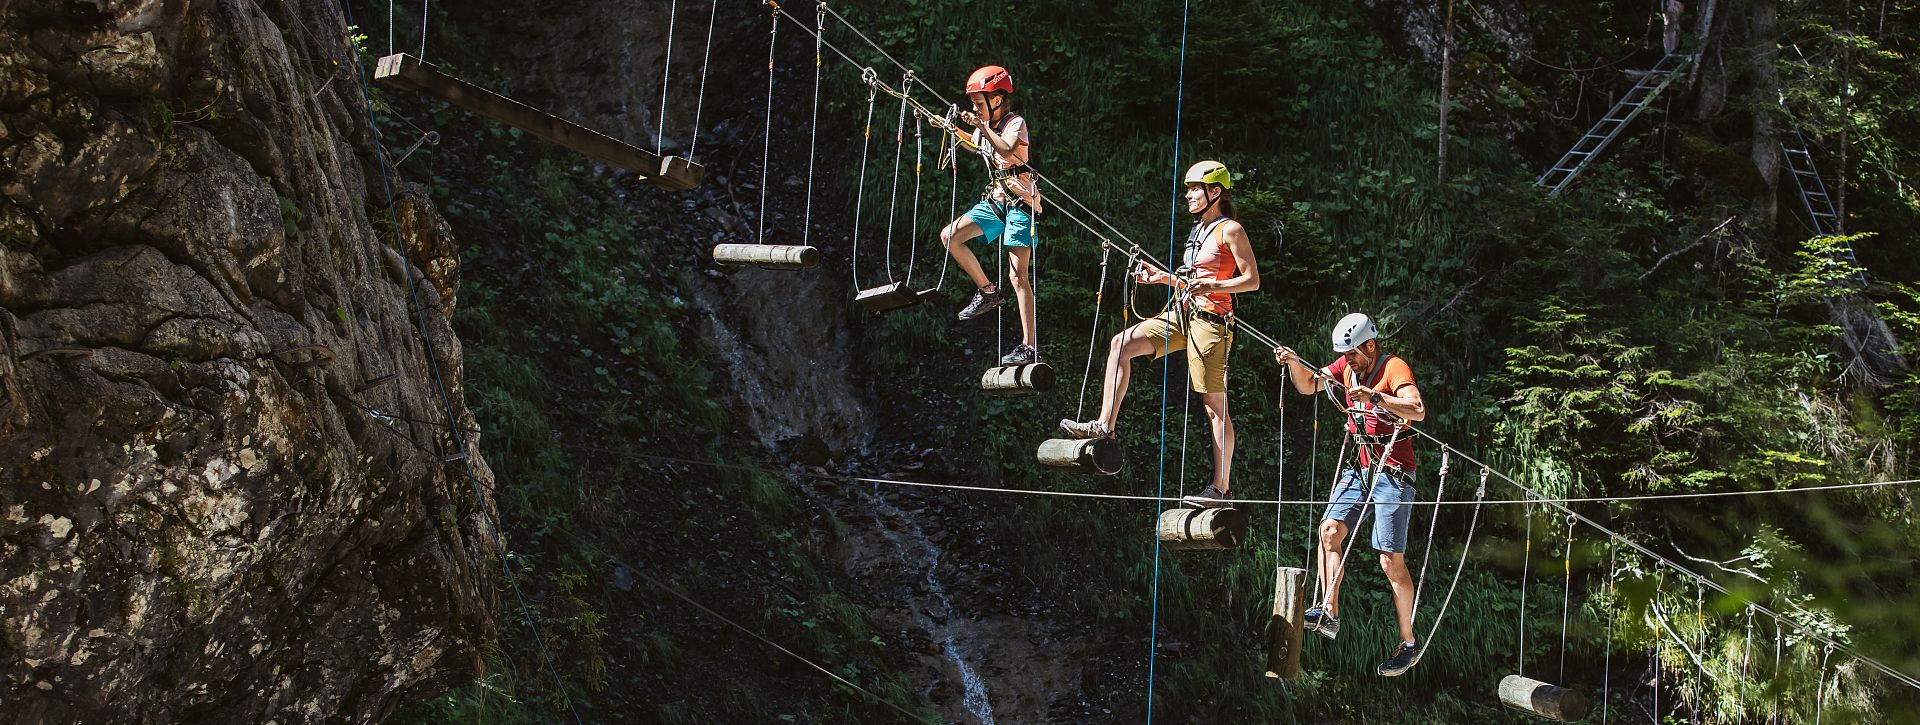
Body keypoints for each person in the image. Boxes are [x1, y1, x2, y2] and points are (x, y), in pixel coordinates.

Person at [1059, 161, 1259, 507]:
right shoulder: (1198, 230)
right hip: (1180, 314)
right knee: (1120, 344)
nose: (1188, 195)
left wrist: (1213, 284)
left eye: (1195, 188)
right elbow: (1190, 279)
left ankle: (1221, 489)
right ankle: (1105, 426)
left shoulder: (1231, 230)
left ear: (1216, 193)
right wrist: (1160, 277)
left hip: (1211, 322)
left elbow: (1252, 280)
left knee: (1214, 407)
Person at [1273, 313, 1429, 677]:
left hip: (1394, 473)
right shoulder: (1346, 365)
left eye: (1354, 355)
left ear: (1370, 346)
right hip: (1360, 469)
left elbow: (1418, 410)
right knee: (1329, 530)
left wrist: (1377, 397)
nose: (1349, 362)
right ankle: (1329, 611)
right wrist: (1295, 363)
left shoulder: (1393, 368)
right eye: (1345, 356)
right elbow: (1310, 385)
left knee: (1390, 562)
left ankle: (1408, 643)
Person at [940, 65, 1044, 366]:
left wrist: (981, 128)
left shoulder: (1015, 123)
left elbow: (1006, 149)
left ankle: (1029, 346)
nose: (975, 108)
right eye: (973, 103)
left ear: (997, 100)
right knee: (950, 236)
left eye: (979, 103)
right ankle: (987, 291)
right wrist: (950, 130)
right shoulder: (986, 126)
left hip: (1020, 203)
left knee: (1018, 275)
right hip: (997, 200)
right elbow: (976, 144)